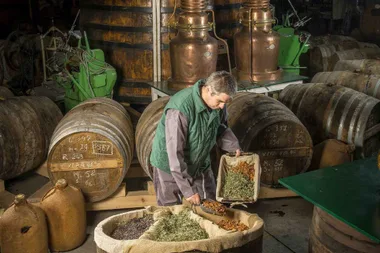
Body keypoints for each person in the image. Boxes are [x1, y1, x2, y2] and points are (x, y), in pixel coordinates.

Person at [150, 71, 241, 206]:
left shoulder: (218, 105)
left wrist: (233, 146)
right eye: (220, 101)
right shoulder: (180, 109)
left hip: (200, 161)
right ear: (209, 89)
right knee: (170, 212)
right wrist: (188, 191)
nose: (222, 106)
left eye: (225, 102)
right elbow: (175, 154)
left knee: (211, 205)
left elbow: (221, 127)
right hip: (169, 166)